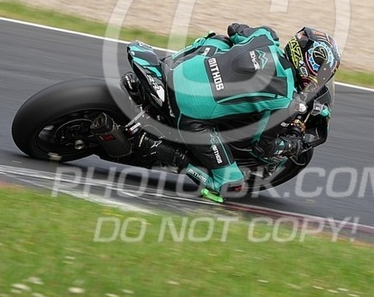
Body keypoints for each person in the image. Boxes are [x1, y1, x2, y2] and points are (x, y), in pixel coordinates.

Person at [126, 23, 341, 201]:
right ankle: (157, 146)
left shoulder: (265, 36)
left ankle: (165, 67)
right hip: (189, 113)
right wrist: (291, 145)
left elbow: (234, 29)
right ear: (307, 62)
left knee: (219, 41)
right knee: (231, 185)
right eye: (322, 69)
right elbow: (262, 147)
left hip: (180, 71)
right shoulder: (285, 100)